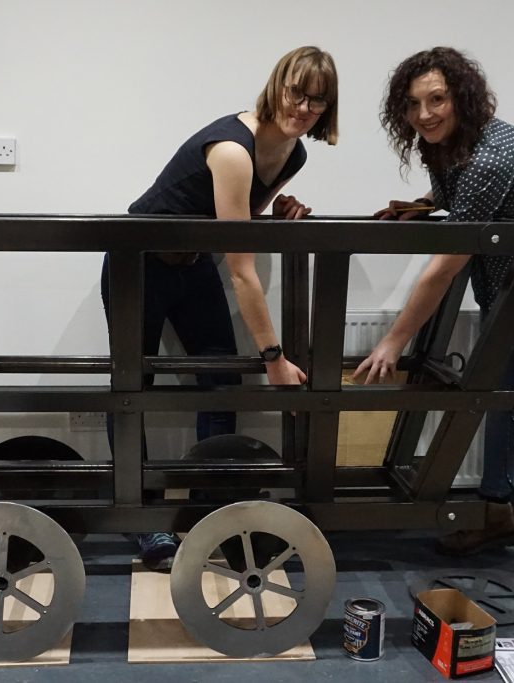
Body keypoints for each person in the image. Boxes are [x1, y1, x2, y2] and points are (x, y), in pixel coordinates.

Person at [354, 47, 514, 590]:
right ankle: (495, 514)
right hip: (511, 282)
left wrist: (395, 340)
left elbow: (445, 266)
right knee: (500, 398)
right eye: (414, 104)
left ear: (463, 96)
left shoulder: (495, 154)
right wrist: (419, 206)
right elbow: (455, 198)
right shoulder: (446, 147)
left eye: (437, 99)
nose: (425, 114)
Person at [101, 45, 339, 569]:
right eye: (296, 93)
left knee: (220, 382)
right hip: (138, 264)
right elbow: (241, 266)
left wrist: (277, 213)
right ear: (276, 86)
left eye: (317, 102)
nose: (303, 108)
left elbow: (232, 217)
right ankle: (145, 524)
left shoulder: (294, 154)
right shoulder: (233, 147)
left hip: (191, 264)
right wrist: (274, 357)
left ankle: (211, 512)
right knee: (130, 393)